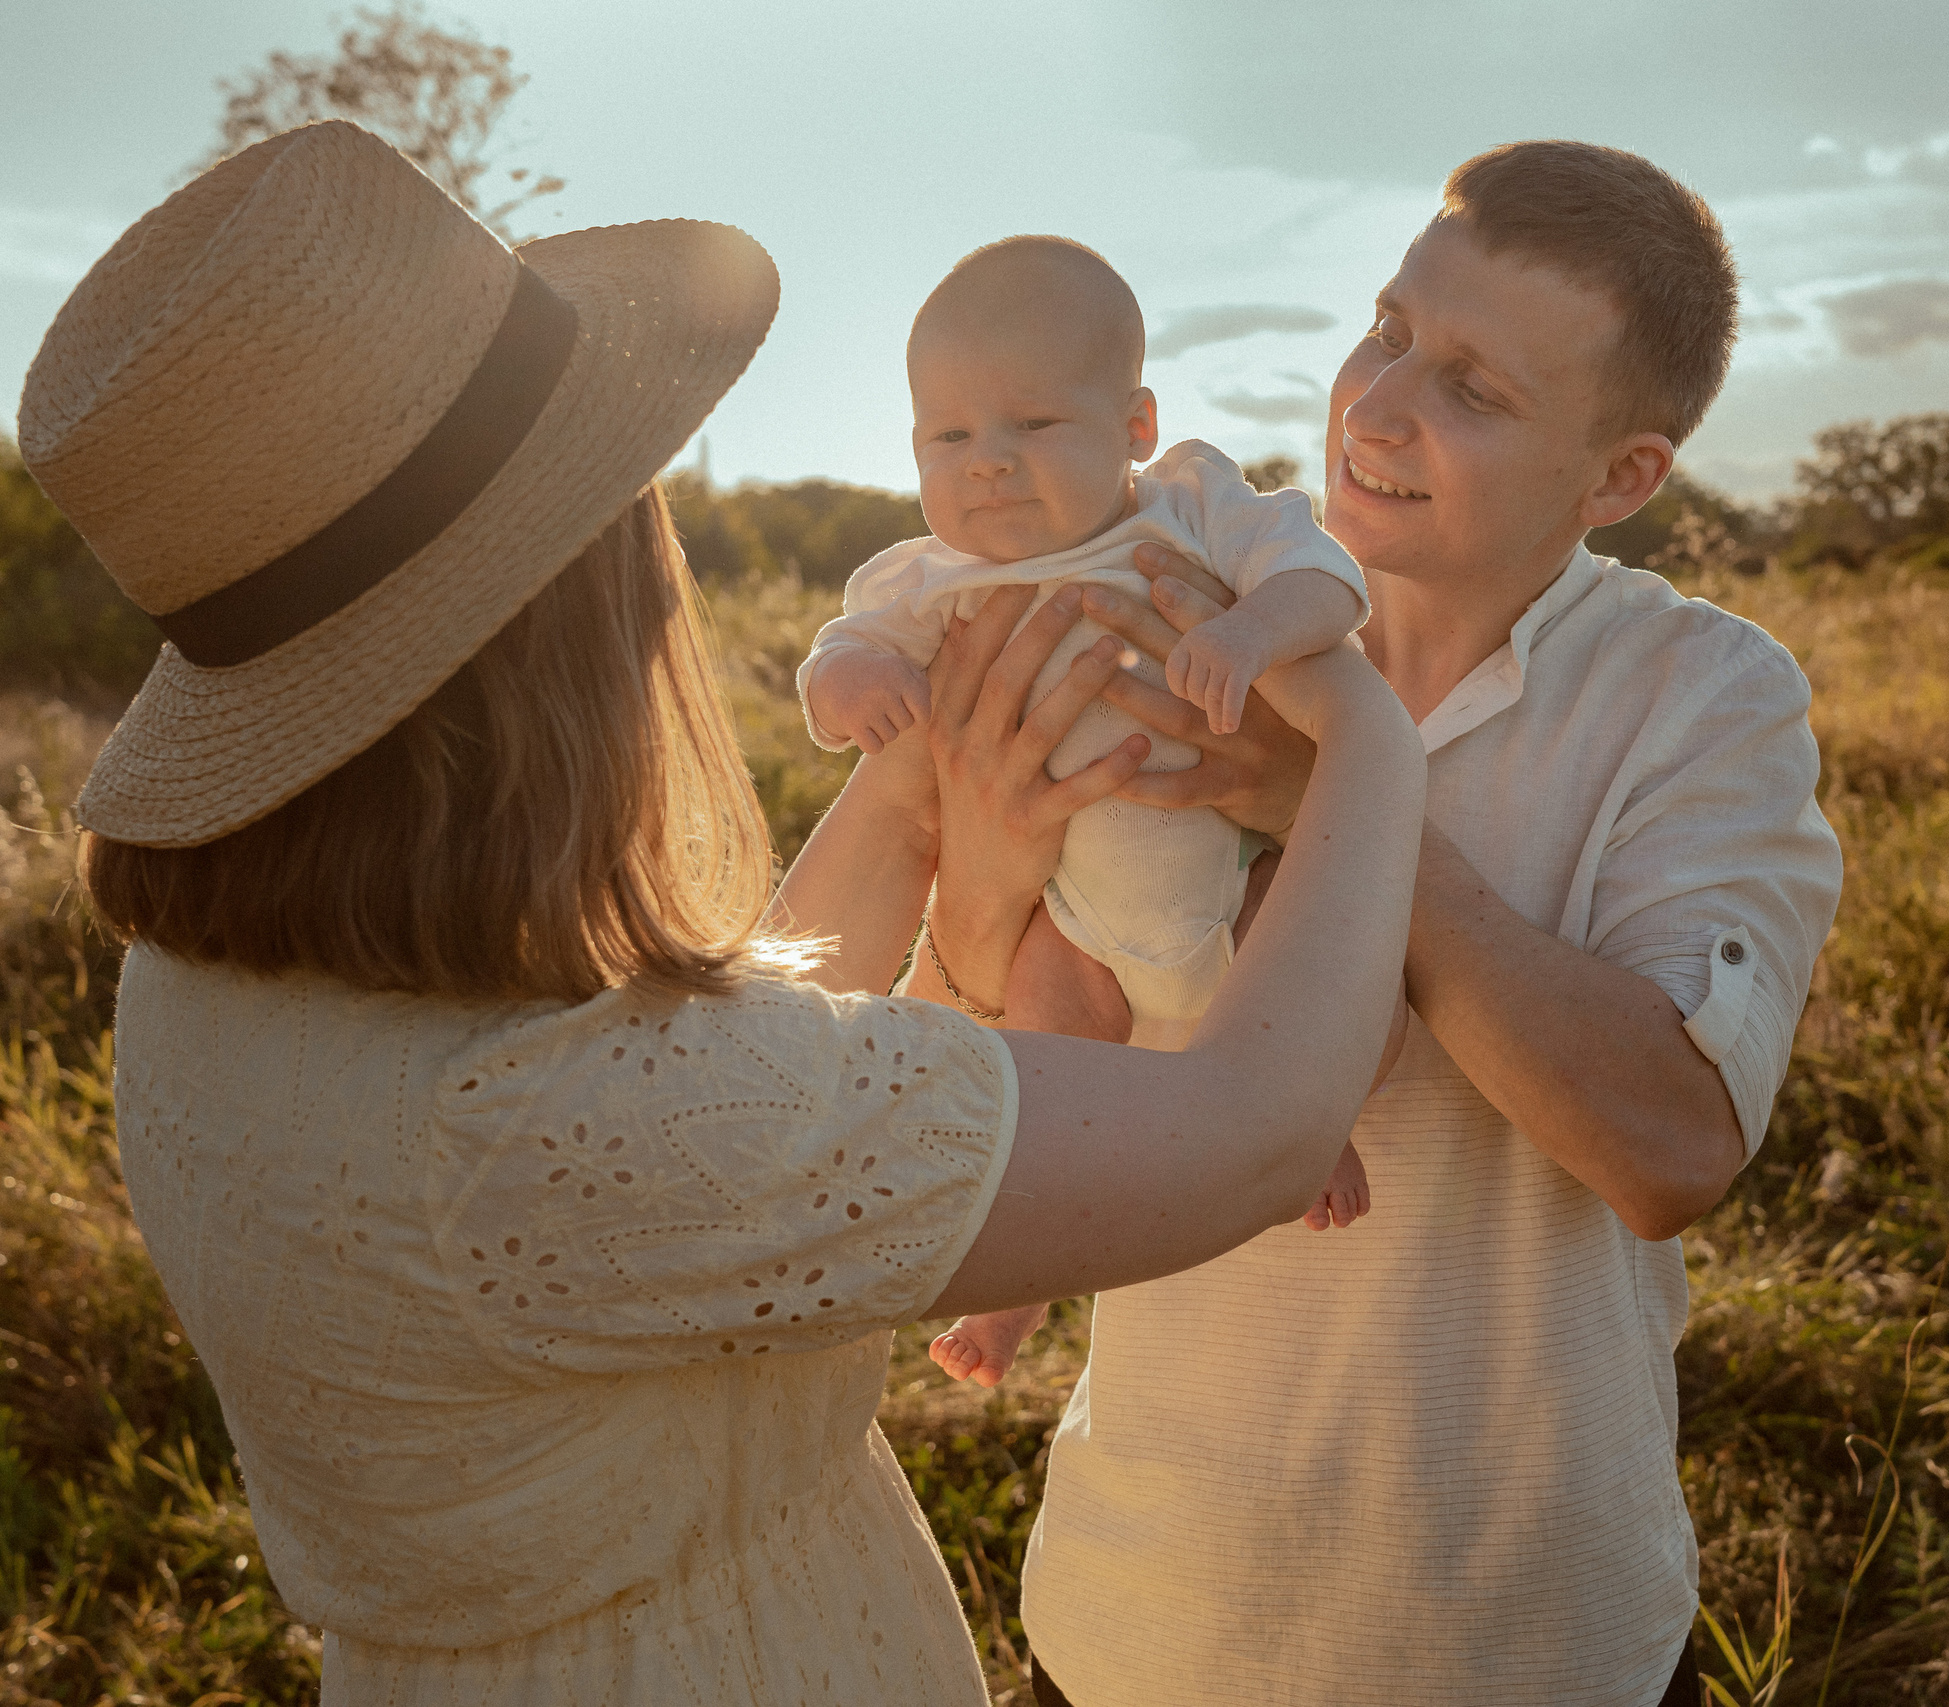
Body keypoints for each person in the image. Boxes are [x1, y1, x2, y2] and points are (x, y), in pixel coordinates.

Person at [28, 120, 1422, 1705]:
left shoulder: (208, 987)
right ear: (565, 609)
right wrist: (1365, 743)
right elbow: (1250, 1129)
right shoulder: (544, 1126)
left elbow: (745, 1076)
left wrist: (926, 806)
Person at [961, 141, 1847, 1706]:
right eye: (1385, 329)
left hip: (1525, 1644)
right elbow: (980, 1057)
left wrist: (1333, 794)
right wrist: (982, 871)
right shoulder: (1163, 583)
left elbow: (1670, 1145)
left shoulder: (1705, 695)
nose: (1373, 406)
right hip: (1137, 1625)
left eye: (1474, 390)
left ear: (1621, 476)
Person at [796, 239, 1379, 1396]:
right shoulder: (926, 577)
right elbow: (840, 656)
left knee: (1329, 962)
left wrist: (1251, 633)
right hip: (1071, 919)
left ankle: (1311, 1129)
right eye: (947, 438)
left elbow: (1323, 578)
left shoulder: (1193, 510)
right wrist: (849, 688)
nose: (989, 467)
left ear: (1136, 424)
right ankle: (1014, 1303)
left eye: (1031, 426)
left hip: (1229, 867)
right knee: (1040, 1078)